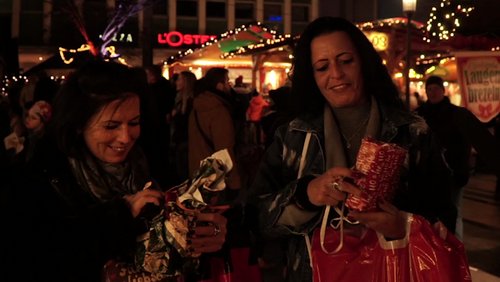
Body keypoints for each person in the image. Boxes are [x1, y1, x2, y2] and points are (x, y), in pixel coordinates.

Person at [246, 17, 456, 282]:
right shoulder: (293, 136)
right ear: (311, 76)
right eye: (322, 67)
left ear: (364, 62)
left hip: (392, 271)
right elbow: (255, 218)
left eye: (346, 61)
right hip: (314, 272)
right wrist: (305, 195)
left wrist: (402, 225)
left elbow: (446, 216)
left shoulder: (411, 132)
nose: (336, 74)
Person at [3, 60, 228, 282]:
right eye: (111, 126)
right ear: (79, 124)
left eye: (134, 122)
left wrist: (208, 237)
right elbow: (39, 258)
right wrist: (120, 215)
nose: (125, 137)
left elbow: (177, 253)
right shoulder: (36, 178)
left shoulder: (151, 167)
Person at [416, 75, 500, 240]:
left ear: (443, 90)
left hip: (453, 173)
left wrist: (460, 169)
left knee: (454, 210)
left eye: (436, 89)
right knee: (427, 212)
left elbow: (468, 143)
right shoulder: (419, 114)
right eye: (429, 89)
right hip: (427, 175)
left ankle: (456, 248)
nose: (432, 92)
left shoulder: (457, 114)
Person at [188, 67, 242, 198]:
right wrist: (235, 184)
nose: (229, 85)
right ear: (219, 85)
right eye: (227, 82)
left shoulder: (197, 106)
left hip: (198, 173)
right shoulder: (219, 111)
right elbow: (225, 150)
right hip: (217, 181)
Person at [170, 70, 197, 182]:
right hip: (180, 141)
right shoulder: (180, 100)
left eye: (180, 79)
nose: (177, 82)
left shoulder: (191, 102)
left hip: (185, 142)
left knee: (184, 174)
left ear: (186, 82)